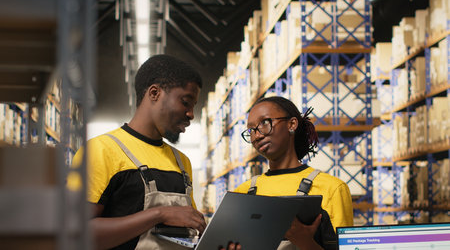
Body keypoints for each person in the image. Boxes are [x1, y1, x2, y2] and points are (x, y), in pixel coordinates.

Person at [70, 54, 207, 250]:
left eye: (193, 106)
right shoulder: (100, 150)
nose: (191, 115)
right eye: (186, 102)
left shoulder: (181, 162)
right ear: (154, 93)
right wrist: (160, 214)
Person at [233, 96, 354, 250]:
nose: (257, 135)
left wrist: (305, 242)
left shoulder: (332, 189)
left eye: (265, 123)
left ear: (292, 124)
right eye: (251, 130)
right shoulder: (242, 193)